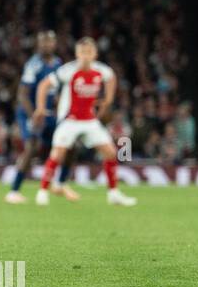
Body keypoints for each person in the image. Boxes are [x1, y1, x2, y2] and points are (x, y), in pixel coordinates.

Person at [32, 37, 137, 207]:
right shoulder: (68, 71)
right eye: (82, 52)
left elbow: (111, 78)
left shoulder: (102, 70)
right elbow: (44, 85)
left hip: (89, 120)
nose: (85, 56)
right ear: (77, 54)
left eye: (89, 52)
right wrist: (41, 107)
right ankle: (42, 192)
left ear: (95, 54)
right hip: (69, 120)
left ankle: (114, 194)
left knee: (110, 153)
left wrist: (108, 100)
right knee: (57, 154)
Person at [5, 31, 78, 203]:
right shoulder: (34, 65)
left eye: (50, 42)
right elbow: (22, 94)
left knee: (71, 145)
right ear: (38, 45)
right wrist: (34, 115)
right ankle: (14, 191)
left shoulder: (58, 63)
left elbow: (57, 91)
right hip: (30, 112)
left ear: (55, 44)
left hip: (50, 113)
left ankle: (60, 183)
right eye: (43, 42)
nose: (47, 45)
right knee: (32, 147)